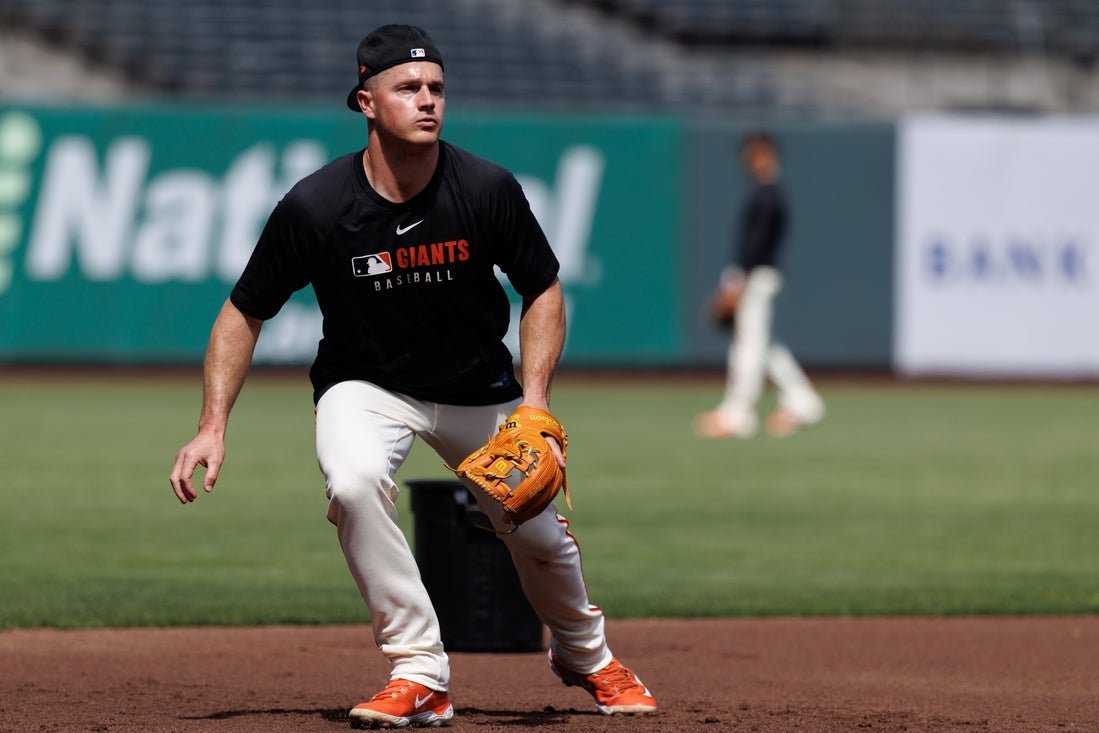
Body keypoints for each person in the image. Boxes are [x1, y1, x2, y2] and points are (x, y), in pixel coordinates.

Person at [168, 24, 657, 728]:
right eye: (407, 88)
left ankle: (586, 654)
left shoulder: (485, 188)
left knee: (538, 536)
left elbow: (543, 290)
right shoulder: (317, 206)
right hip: (366, 386)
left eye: (436, 88)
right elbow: (243, 312)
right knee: (355, 479)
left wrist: (536, 405)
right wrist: (212, 424)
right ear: (365, 102)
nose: (427, 101)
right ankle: (419, 669)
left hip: (478, 387)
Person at [694, 129, 824, 439]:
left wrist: (737, 280)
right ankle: (804, 401)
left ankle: (737, 414)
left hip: (757, 275)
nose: (745, 159)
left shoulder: (769, 194)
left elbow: (756, 245)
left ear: (766, 151)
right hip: (758, 274)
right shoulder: (766, 191)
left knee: (748, 345)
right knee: (765, 344)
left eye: (751, 152)